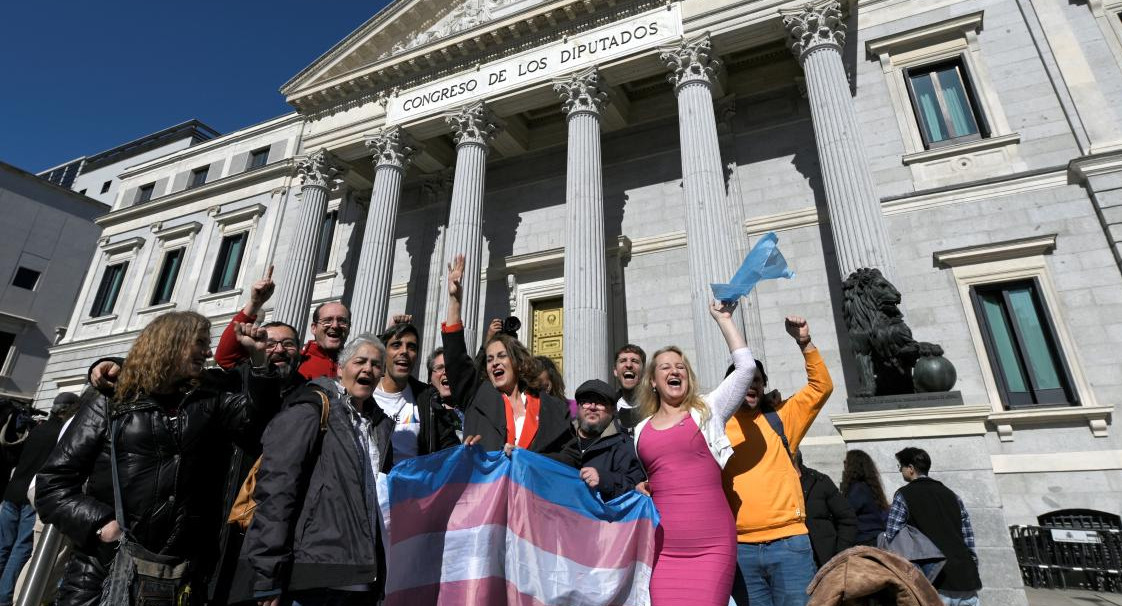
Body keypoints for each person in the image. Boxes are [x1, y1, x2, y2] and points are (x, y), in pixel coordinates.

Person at [35, 311, 278, 606]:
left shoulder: (211, 396)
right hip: (103, 573)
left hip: (178, 575)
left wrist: (260, 363)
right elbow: (53, 484)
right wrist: (102, 525)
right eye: (200, 342)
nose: (208, 352)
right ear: (170, 343)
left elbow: (257, 426)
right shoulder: (112, 399)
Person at [239, 334, 394, 606]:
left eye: (376, 364)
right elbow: (277, 490)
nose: (368, 369)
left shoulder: (379, 425)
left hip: (360, 581)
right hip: (311, 578)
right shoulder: (312, 407)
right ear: (341, 367)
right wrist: (267, 574)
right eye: (360, 361)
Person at [633, 299, 755, 606]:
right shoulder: (639, 431)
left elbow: (746, 368)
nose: (675, 371)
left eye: (681, 366)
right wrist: (641, 489)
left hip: (712, 547)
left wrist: (723, 319)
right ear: (654, 381)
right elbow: (656, 478)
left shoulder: (709, 410)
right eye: (666, 367)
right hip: (663, 550)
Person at [725, 316, 833, 606]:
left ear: (764, 386)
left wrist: (805, 342)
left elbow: (820, 387)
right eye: (743, 379)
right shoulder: (716, 426)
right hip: (741, 548)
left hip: (790, 544)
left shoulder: (782, 417)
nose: (751, 385)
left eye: (757, 380)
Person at [441, 254, 569, 454]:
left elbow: (569, 454)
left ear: (518, 362)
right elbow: (455, 357)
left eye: (501, 356)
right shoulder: (478, 396)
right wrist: (455, 301)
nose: (494, 363)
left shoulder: (551, 407)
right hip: (488, 484)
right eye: (490, 359)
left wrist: (530, 461)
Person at [0, 394, 80, 606]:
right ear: (68, 410)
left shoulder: (37, 429)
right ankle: (5, 597)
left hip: (11, 492)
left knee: (4, 546)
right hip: (31, 496)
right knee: (21, 549)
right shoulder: (63, 434)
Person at [213, 266, 351, 380]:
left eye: (342, 321)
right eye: (327, 321)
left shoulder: (356, 368)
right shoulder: (293, 363)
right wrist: (255, 303)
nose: (335, 326)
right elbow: (225, 358)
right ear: (313, 328)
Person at [886, 447, 982, 606]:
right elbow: (968, 538)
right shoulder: (951, 495)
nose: (900, 471)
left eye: (900, 467)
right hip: (966, 577)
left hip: (933, 578)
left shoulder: (903, 495)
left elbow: (892, 534)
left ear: (910, 468)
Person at [547, 379, 645, 501]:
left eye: (600, 403)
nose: (592, 407)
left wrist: (604, 480)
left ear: (613, 410)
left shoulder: (625, 446)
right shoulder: (559, 437)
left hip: (601, 519)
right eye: (586, 402)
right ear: (578, 407)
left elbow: (636, 489)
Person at [375, 321, 460, 462]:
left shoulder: (428, 398)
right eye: (396, 345)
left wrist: (468, 450)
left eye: (411, 347)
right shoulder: (364, 396)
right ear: (384, 353)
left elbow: (449, 449)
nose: (404, 351)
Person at [795, 450, 857, 568]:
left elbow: (847, 518)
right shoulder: (772, 486)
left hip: (823, 560)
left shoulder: (819, 481)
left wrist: (840, 554)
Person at [841, 450, 889, 547]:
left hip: (865, 538)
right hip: (874, 537)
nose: (844, 464)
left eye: (846, 462)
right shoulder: (869, 487)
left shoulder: (858, 489)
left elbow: (846, 512)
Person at [612, 344, 645, 431]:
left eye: (635, 361)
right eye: (623, 361)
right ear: (615, 371)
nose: (629, 365)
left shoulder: (658, 406)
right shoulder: (607, 409)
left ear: (644, 371)